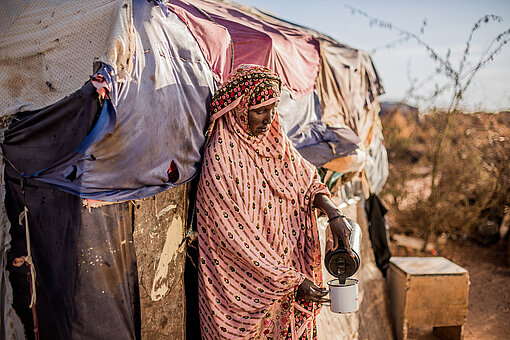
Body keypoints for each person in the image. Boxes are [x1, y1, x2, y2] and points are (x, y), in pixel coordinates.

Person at [197, 64, 352, 339]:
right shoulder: (222, 160)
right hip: (251, 292)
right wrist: (289, 280)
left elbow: (307, 182)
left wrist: (333, 213)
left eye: (273, 108)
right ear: (238, 109)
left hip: (289, 281)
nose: (269, 118)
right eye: (260, 110)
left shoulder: (275, 143)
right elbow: (236, 238)